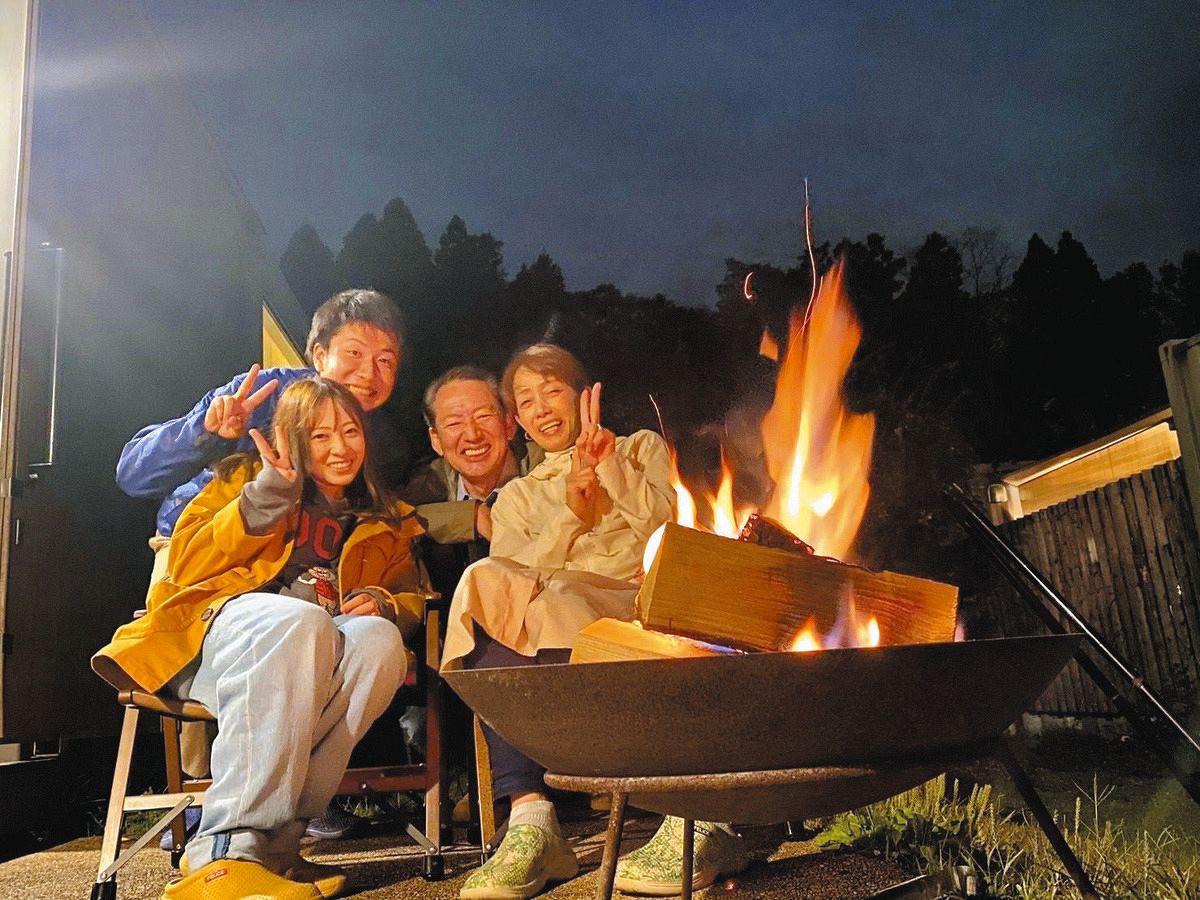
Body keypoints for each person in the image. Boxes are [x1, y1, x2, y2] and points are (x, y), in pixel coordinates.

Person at [93, 377, 427, 900]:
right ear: (290, 437)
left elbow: (411, 595)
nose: (340, 447)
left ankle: (276, 849)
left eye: (349, 431)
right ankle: (224, 852)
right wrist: (263, 500)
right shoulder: (240, 477)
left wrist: (386, 602)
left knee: (379, 643)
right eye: (320, 435)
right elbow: (185, 563)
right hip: (215, 639)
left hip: (313, 654)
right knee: (298, 621)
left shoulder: (385, 517)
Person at [116, 288, 405, 836]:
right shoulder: (262, 395)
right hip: (206, 555)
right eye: (354, 353)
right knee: (258, 635)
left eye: (386, 361)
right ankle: (217, 821)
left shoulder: (378, 439)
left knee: (339, 633)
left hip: (306, 576)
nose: (369, 373)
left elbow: (395, 525)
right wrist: (205, 433)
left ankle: (287, 809)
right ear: (317, 355)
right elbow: (134, 474)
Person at [442, 344, 679, 900]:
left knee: (548, 597)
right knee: (484, 582)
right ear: (518, 421)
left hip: (631, 607)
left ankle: (636, 793)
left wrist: (609, 467)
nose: (542, 408)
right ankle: (531, 819)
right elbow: (513, 576)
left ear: (583, 395)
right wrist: (571, 513)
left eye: (552, 391)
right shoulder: (517, 496)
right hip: (554, 617)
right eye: (526, 400)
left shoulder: (640, 448)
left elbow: (671, 525)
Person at [402, 365, 544, 597]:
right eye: (454, 423)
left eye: (483, 416)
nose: (472, 435)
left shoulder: (546, 467)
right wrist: (472, 516)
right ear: (436, 440)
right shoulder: (430, 483)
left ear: (509, 424)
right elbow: (393, 519)